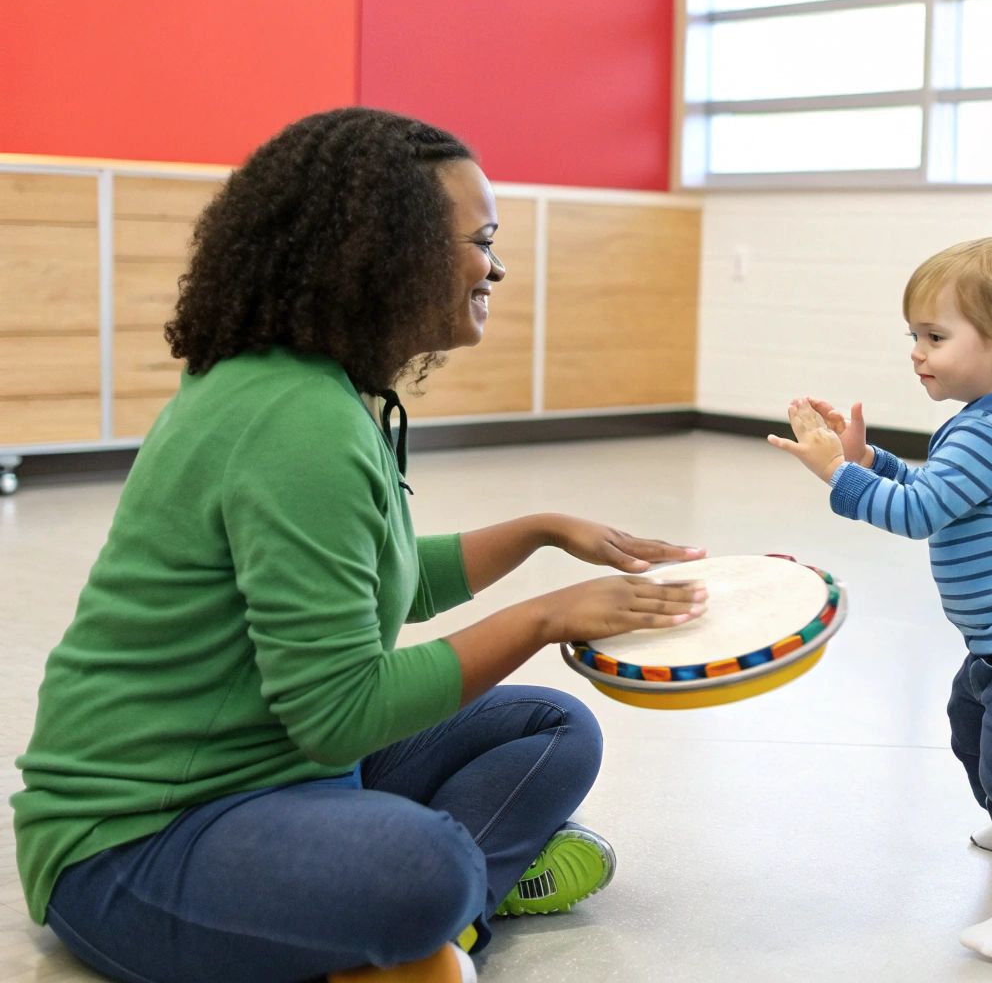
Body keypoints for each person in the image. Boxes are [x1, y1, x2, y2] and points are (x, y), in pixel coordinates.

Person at [11, 108, 709, 983]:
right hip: (139, 844)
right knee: (427, 869)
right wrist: (541, 619)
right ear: (389, 250)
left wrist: (540, 533)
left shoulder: (310, 387)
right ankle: (435, 913)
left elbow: (383, 583)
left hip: (282, 774)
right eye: (479, 240)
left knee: (550, 726)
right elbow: (339, 711)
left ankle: (416, 930)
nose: (495, 266)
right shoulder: (296, 422)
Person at [768, 236, 992, 961]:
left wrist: (838, 476)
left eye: (934, 336)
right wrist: (866, 460)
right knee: (972, 731)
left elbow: (918, 513)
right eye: (914, 336)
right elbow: (937, 489)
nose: (917, 352)